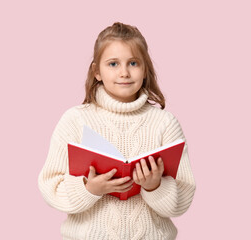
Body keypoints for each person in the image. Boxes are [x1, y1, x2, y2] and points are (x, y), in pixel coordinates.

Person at [38, 22, 196, 240]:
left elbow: (183, 197)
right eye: (113, 64)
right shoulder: (75, 120)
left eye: (133, 63)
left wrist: (154, 186)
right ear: (97, 72)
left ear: (145, 70)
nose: (124, 72)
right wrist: (89, 189)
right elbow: (50, 186)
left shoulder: (165, 124)